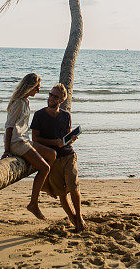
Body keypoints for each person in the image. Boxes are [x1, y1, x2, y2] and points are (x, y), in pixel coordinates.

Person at [31, 83, 86, 231]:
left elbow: (66, 134)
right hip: (53, 159)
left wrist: (71, 139)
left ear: (61, 100)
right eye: (50, 94)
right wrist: (53, 142)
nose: (51, 98)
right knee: (62, 193)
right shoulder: (39, 115)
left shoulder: (66, 115)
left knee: (73, 187)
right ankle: (75, 221)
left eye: (55, 96)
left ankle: (79, 216)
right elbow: (35, 139)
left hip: (68, 155)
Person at [2, 73, 56, 220]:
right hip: (17, 143)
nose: (38, 91)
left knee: (52, 154)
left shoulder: (25, 102)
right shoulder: (19, 103)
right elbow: (9, 127)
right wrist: (7, 150)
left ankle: (43, 183)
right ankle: (33, 204)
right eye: (37, 87)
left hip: (24, 140)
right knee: (45, 167)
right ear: (30, 86)